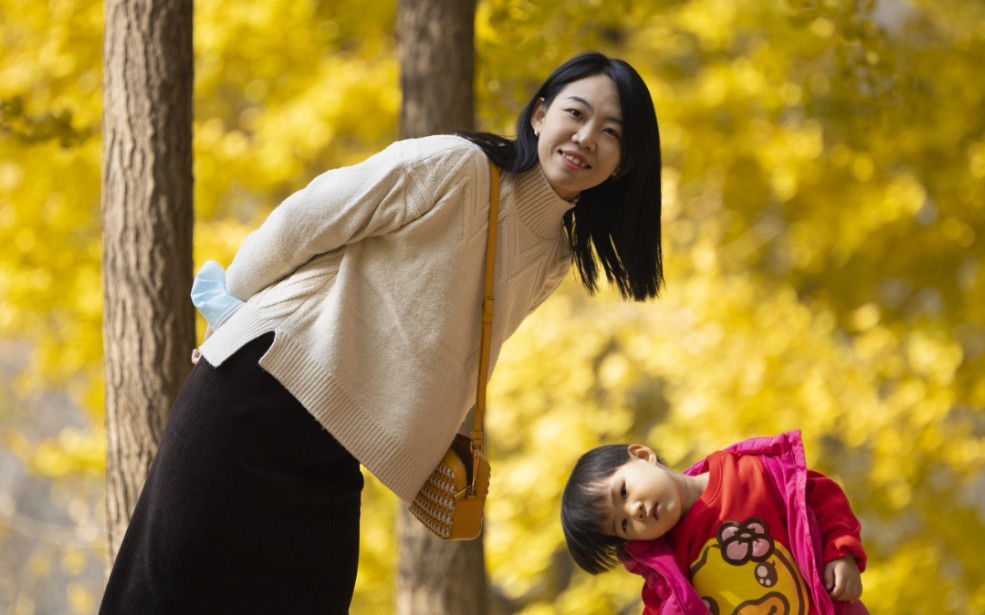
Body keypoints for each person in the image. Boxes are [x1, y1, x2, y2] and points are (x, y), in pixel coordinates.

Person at [99, 51, 664, 614]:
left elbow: (468, 355)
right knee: (163, 595)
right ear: (541, 115)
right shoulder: (458, 166)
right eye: (576, 113)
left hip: (336, 453)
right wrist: (230, 320)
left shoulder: (555, 258)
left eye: (610, 132)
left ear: (623, 164)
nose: (586, 137)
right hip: (255, 398)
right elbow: (306, 220)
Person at [561, 431, 868, 614]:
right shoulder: (666, 567)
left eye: (624, 492)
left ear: (642, 455)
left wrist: (840, 553)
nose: (635, 511)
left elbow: (817, 498)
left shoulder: (750, 473)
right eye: (624, 525)